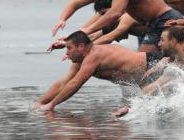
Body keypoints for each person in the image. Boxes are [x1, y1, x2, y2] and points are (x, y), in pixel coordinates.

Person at [35, 31, 163, 112]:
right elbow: (63, 83)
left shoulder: (94, 55)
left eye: (69, 48)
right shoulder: (82, 59)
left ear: (80, 47)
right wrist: (40, 102)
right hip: (147, 78)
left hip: (155, 65)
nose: (67, 53)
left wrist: (51, 105)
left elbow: (76, 84)